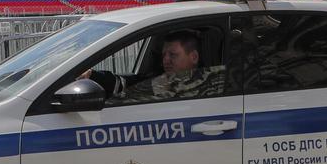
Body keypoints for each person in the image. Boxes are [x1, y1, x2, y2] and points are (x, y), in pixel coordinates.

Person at [83, 31, 223, 103]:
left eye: (173, 55)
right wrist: (93, 76)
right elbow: (127, 86)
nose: (165, 60)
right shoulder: (162, 81)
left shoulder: (215, 83)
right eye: (164, 55)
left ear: (194, 57)